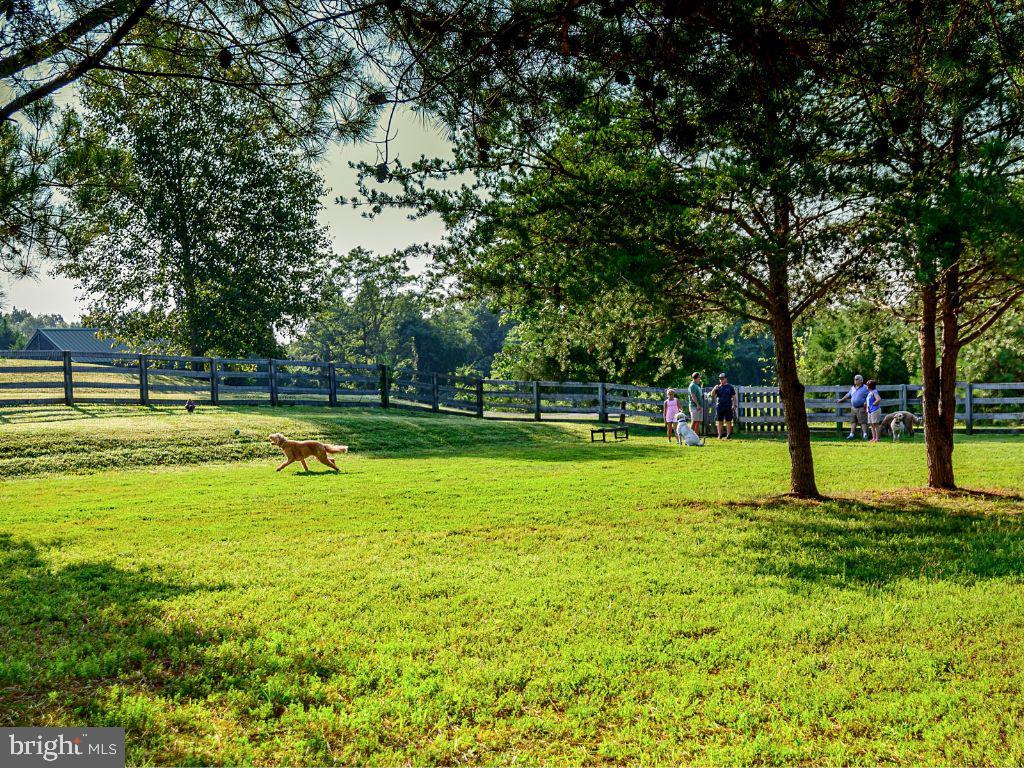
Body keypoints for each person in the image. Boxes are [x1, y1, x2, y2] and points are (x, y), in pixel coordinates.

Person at [836, 373, 869, 440]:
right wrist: (841, 400)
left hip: (862, 407)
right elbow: (848, 395)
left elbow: (870, 395)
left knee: (863, 422)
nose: (855, 380)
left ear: (861, 380)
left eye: (857, 379)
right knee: (853, 421)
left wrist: (866, 403)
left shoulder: (865, 387)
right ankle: (851, 435)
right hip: (853, 408)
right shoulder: (853, 388)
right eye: (854, 379)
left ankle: (865, 435)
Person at [709, 373, 738, 440]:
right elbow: (712, 395)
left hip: (728, 406)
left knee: (728, 421)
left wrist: (735, 405)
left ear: (726, 379)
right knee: (719, 421)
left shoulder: (730, 387)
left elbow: (734, 397)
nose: (721, 380)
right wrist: (714, 388)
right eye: (720, 379)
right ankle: (720, 435)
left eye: (722, 378)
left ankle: (728, 435)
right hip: (719, 406)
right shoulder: (718, 387)